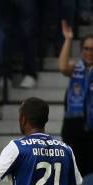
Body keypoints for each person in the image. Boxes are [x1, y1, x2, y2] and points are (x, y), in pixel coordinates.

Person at [58, 21, 93, 176]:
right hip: (74, 127)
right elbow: (63, 67)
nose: (89, 52)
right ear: (81, 51)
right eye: (86, 49)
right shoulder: (76, 68)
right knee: (74, 173)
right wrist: (68, 39)